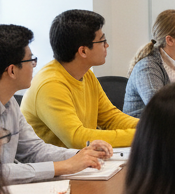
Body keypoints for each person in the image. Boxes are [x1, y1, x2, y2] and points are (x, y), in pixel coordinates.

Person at [0, 24, 111, 184]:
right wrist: (62, 167)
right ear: (12, 71)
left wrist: (82, 154)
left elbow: (33, 150)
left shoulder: (8, 100)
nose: (34, 66)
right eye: (31, 60)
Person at [22, 9, 137, 149]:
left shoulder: (86, 74)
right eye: (103, 41)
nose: (107, 45)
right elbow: (77, 138)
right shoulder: (51, 84)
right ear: (83, 51)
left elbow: (110, 117)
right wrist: (142, 135)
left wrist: (150, 127)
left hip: (78, 163)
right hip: (53, 167)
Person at [122, 9, 175, 117]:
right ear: (170, 40)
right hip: (142, 130)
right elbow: (160, 110)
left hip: (171, 127)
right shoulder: (147, 67)